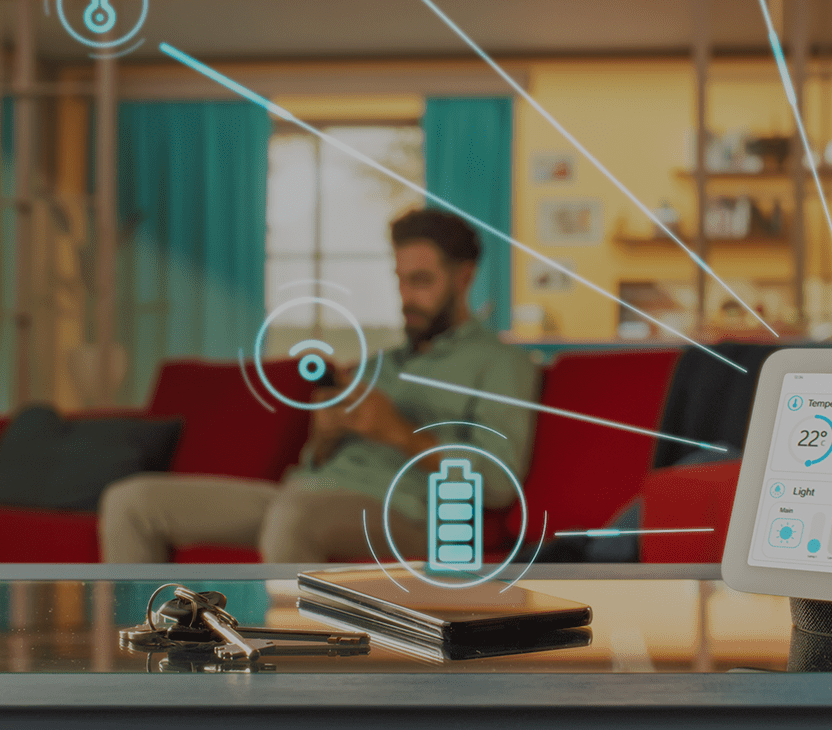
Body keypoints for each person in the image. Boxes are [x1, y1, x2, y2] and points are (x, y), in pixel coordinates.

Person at [99, 209, 537, 562]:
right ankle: (143, 645)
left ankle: (290, 650)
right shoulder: (377, 364)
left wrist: (402, 435)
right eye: (400, 280)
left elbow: (499, 482)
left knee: (295, 517)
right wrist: (325, 436)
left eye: (421, 281)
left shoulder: (502, 364)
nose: (406, 297)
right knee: (130, 502)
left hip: (406, 514)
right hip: (305, 495)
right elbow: (314, 464)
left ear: (464, 277)